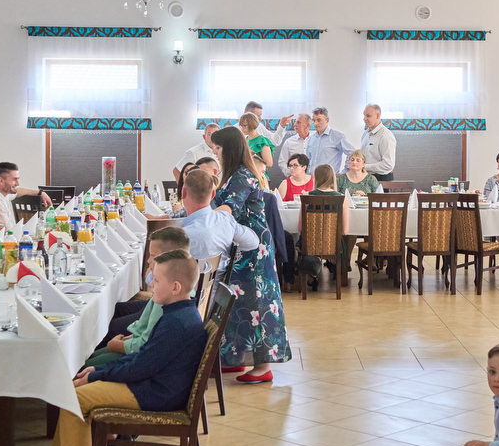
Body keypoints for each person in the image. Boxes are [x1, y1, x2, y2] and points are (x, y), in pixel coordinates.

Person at [20, 249, 207, 446]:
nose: (151, 284)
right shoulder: (177, 313)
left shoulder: (176, 323)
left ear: (175, 287)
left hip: (156, 394)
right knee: (74, 390)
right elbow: (142, 360)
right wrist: (98, 369)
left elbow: (141, 367)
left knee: (74, 397)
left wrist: (97, 375)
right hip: (152, 385)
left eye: (157, 280)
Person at [210, 126, 290, 383]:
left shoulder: (243, 176)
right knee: (237, 303)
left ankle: (262, 366)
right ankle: (236, 358)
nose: (215, 153)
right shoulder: (233, 174)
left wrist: (199, 217)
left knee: (257, 303)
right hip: (241, 246)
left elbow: (228, 208)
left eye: (218, 149)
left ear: (229, 150)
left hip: (254, 249)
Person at [86, 227, 192, 369]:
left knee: (87, 361)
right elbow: (146, 330)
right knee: (111, 312)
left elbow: (146, 345)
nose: (148, 260)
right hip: (135, 346)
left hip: (135, 358)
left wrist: (117, 345)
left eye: (153, 255)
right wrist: (126, 340)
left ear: (169, 258)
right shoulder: (171, 290)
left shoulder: (167, 299)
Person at [0, 161, 52, 231]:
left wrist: (40, 193)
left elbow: (18, 191)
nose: (17, 184)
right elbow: (9, 230)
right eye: (14, 179)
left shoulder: (5, 194)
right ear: (1, 181)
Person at [306, 106, 354, 174]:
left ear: (327, 120)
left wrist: (344, 172)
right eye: (314, 120)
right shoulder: (311, 138)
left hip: (329, 178)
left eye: (319, 120)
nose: (315, 123)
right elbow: (308, 160)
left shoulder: (337, 136)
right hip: (312, 178)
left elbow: (352, 153)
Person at [359, 104, 397, 182]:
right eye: (364, 115)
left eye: (368, 116)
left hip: (381, 180)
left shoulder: (385, 136)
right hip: (366, 178)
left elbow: (388, 165)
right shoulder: (365, 134)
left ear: (378, 116)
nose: (364, 119)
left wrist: (365, 167)